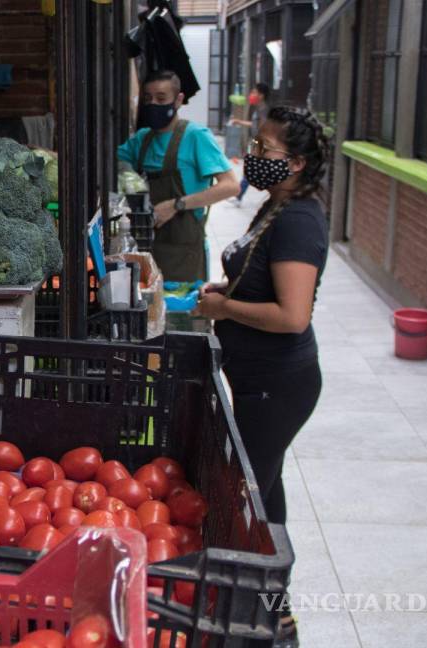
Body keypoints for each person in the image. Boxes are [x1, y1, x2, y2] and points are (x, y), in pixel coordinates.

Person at [194, 105, 330, 647]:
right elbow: (258, 285)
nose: (252, 157)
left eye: (265, 150)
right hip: (258, 379)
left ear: (294, 163)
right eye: (254, 146)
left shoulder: (297, 221)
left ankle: (266, 616)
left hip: (279, 384)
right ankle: (278, 611)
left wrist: (225, 313)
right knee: (263, 494)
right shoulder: (276, 206)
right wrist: (225, 295)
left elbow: (293, 316)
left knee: (248, 501)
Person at [117, 71, 239, 282]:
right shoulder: (143, 139)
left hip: (183, 251)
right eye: (148, 98)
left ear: (179, 100)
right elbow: (107, 159)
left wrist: (176, 205)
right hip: (146, 247)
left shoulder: (196, 136)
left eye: (161, 98)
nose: (154, 104)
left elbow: (230, 186)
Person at [228, 83, 273, 205]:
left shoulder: (264, 110)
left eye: (254, 92)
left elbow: (263, 129)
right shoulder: (260, 109)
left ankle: (239, 197)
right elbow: (254, 125)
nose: (251, 95)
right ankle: (239, 197)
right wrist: (239, 122)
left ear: (261, 95)